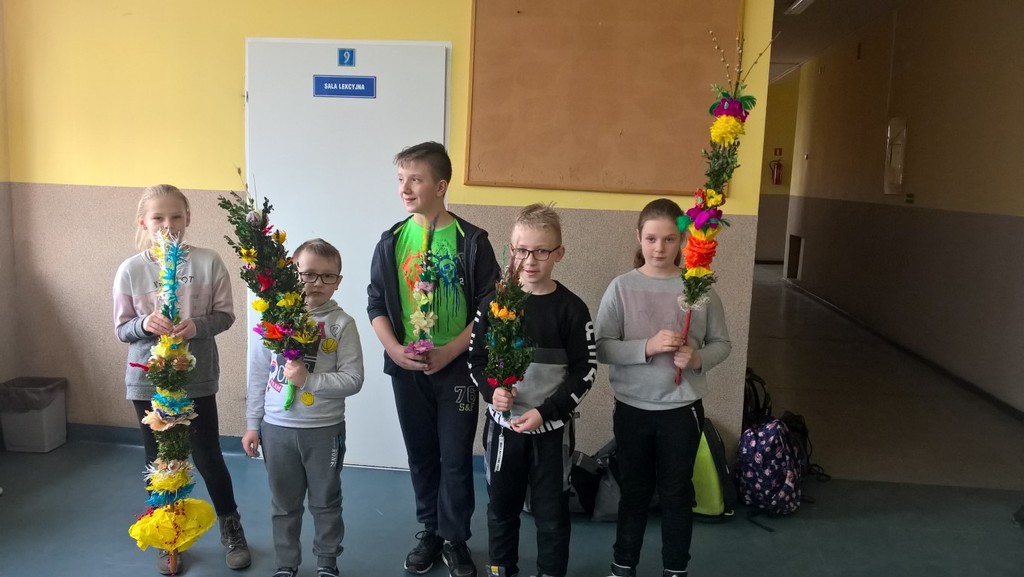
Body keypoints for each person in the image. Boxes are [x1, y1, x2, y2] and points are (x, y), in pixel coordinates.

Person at [367, 141, 500, 577]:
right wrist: (393, 349)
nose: (405, 189)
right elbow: (376, 303)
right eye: (400, 179)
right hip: (408, 368)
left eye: (416, 180)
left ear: (440, 186)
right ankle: (431, 530)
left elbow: (489, 308)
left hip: (457, 367)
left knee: (455, 456)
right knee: (421, 454)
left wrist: (451, 351)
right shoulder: (392, 241)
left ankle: (456, 537)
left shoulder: (472, 242)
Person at [113, 184, 251, 574]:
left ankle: (231, 526)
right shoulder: (131, 269)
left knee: (207, 455)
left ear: (188, 217)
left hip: (196, 377)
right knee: (158, 459)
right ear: (144, 222)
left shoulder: (209, 262)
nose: (168, 224)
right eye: (158, 217)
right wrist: (144, 324)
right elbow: (122, 328)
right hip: (148, 380)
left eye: (176, 216)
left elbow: (225, 316)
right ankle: (166, 534)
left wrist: (198, 326)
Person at [594, 198, 732, 577]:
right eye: (651, 239)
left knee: (676, 492)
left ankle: (675, 568)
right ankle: (623, 564)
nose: (659, 248)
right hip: (633, 408)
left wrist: (698, 358)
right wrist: (647, 347)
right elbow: (602, 347)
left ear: (683, 240)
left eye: (669, 239)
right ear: (638, 237)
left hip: (681, 411)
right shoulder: (621, 287)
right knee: (634, 490)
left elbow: (722, 343)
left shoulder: (698, 288)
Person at [468, 203, 597, 577]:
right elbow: (476, 360)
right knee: (501, 508)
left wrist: (547, 412)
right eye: (521, 250)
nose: (529, 261)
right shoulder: (493, 304)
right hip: (503, 429)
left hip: (551, 431)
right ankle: (501, 568)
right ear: (510, 250)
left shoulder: (572, 309)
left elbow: (585, 371)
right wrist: (492, 392)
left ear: (559, 253)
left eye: (541, 251)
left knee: (551, 513)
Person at [243, 238, 365, 577]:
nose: (316, 283)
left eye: (327, 276)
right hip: (276, 429)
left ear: (338, 281)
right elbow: (257, 374)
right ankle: (286, 563)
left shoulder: (342, 324)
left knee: (326, 501)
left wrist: (309, 380)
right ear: (292, 274)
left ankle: (327, 561)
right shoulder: (272, 319)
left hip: (324, 430)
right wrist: (253, 423)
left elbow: (354, 379)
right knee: (284, 503)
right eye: (308, 274)